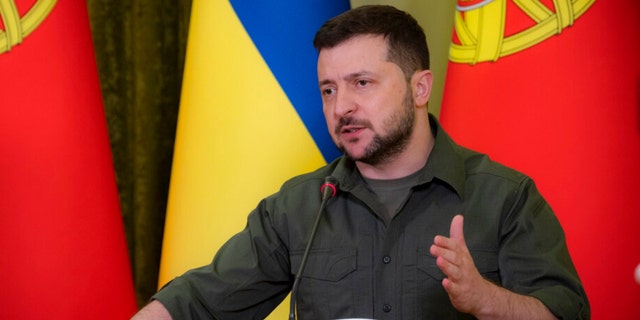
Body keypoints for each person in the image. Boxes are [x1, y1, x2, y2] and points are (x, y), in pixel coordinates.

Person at [132, 5, 589, 319]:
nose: (340, 107)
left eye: (362, 83)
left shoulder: (504, 197)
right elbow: (200, 302)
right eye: (328, 89)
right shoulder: (298, 207)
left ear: (420, 88)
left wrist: (486, 300)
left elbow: (563, 312)